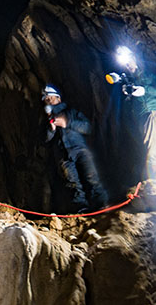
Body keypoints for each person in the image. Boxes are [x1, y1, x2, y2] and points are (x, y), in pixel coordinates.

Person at [41, 84, 109, 213]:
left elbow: (87, 127)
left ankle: (101, 204)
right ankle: (81, 209)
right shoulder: (46, 120)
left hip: (80, 149)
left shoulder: (71, 112)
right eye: (46, 99)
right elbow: (44, 140)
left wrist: (68, 123)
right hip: (63, 155)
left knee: (91, 176)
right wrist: (51, 130)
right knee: (72, 183)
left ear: (59, 99)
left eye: (51, 98)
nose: (49, 101)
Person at [108, 46, 156, 179]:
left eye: (129, 60)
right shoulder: (125, 83)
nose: (128, 65)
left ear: (135, 59)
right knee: (152, 148)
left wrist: (145, 89)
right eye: (125, 63)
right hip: (144, 115)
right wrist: (127, 95)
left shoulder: (148, 75)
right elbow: (126, 110)